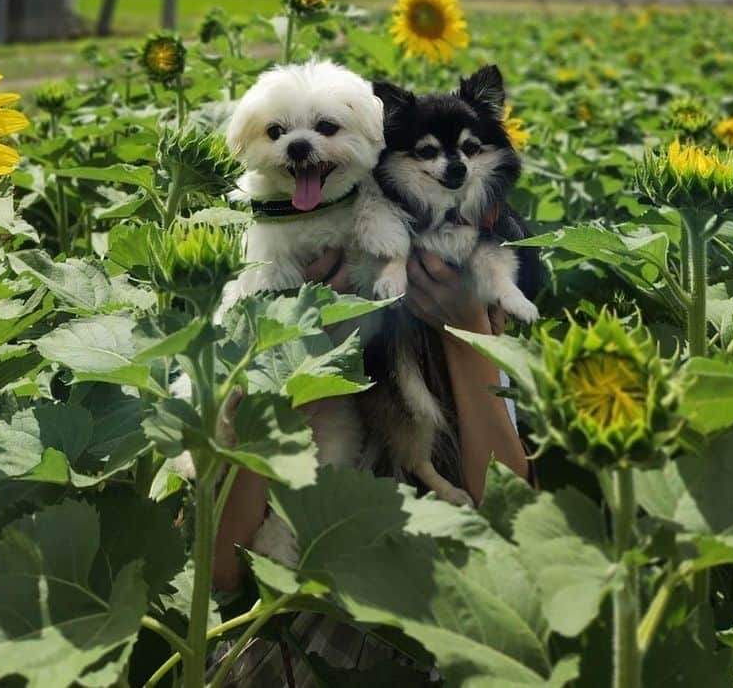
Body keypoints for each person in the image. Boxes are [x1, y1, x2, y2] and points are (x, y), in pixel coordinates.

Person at [210, 246, 533, 682]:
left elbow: (505, 518)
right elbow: (224, 568)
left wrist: (466, 330)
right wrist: (295, 352)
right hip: (278, 658)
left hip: (412, 652)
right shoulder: (281, 272)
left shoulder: (464, 286)